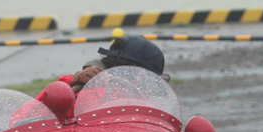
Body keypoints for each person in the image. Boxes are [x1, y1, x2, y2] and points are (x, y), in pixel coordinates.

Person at [36, 35, 168, 117]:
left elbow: (32, 113)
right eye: (153, 81)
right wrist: (71, 82)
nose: (153, 88)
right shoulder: (93, 94)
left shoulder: (153, 107)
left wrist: (70, 83)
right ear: (141, 76)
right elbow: (33, 117)